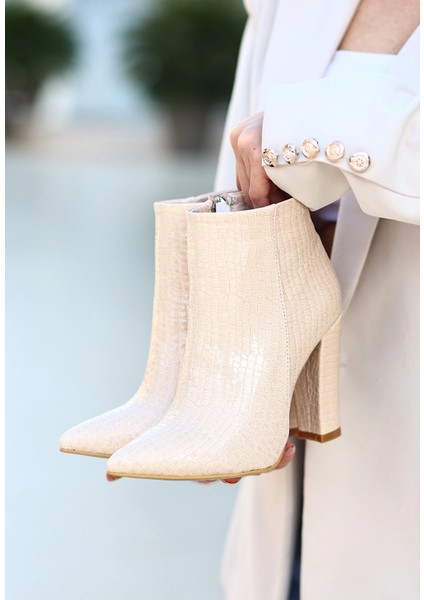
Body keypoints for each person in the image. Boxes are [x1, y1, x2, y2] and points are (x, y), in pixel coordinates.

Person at [213, 0, 419, 598]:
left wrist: (300, 129)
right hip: (295, 508)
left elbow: (269, 135)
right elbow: (236, 187)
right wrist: (218, 387)